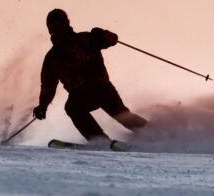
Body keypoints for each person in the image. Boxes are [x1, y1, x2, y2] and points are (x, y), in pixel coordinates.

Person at [33, 8, 148, 143]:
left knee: (121, 115)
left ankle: (157, 133)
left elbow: (112, 40)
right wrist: (43, 106)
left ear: (66, 24)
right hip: (80, 94)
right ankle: (100, 140)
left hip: (101, 88)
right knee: (72, 107)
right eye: (53, 27)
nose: (57, 30)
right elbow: (48, 85)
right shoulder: (52, 57)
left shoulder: (85, 39)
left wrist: (103, 34)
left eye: (59, 25)